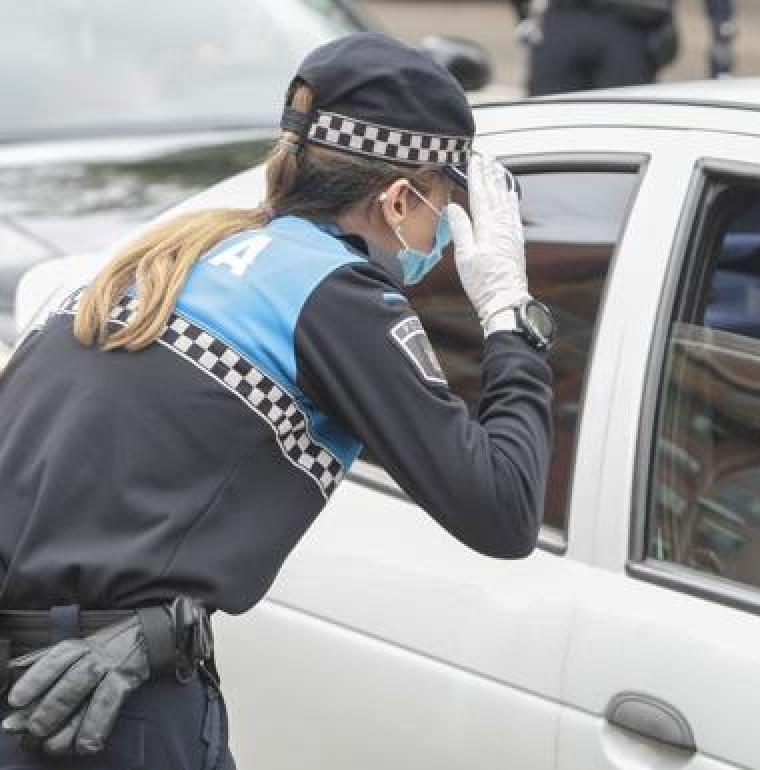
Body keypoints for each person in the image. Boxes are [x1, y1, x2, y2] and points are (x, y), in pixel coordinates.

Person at [0, 32, 555, 768]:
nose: (446, 241)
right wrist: (510, 317)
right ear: (397, 200)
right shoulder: (335, 295)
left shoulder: (170, 253)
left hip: (52, 676)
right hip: (103, 708)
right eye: (444, 208)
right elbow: (504, 507)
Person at [512, 0, 737, 97]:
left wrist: (721, 32)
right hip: (564, 22)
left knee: (624, 132)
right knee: (547, 131)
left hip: (632, 25)